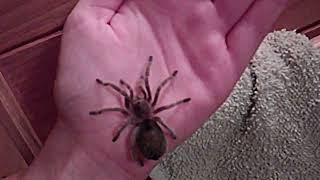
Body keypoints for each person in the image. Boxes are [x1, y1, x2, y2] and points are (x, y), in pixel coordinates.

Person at [15, 0, 289, 179]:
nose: (136, 94)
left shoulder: (133, 114)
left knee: (133, 125)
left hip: (148, 129)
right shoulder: (150, 107)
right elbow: (153, 91)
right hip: (151, 129)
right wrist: (88, 148)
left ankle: (138, 153)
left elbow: (131, 100)